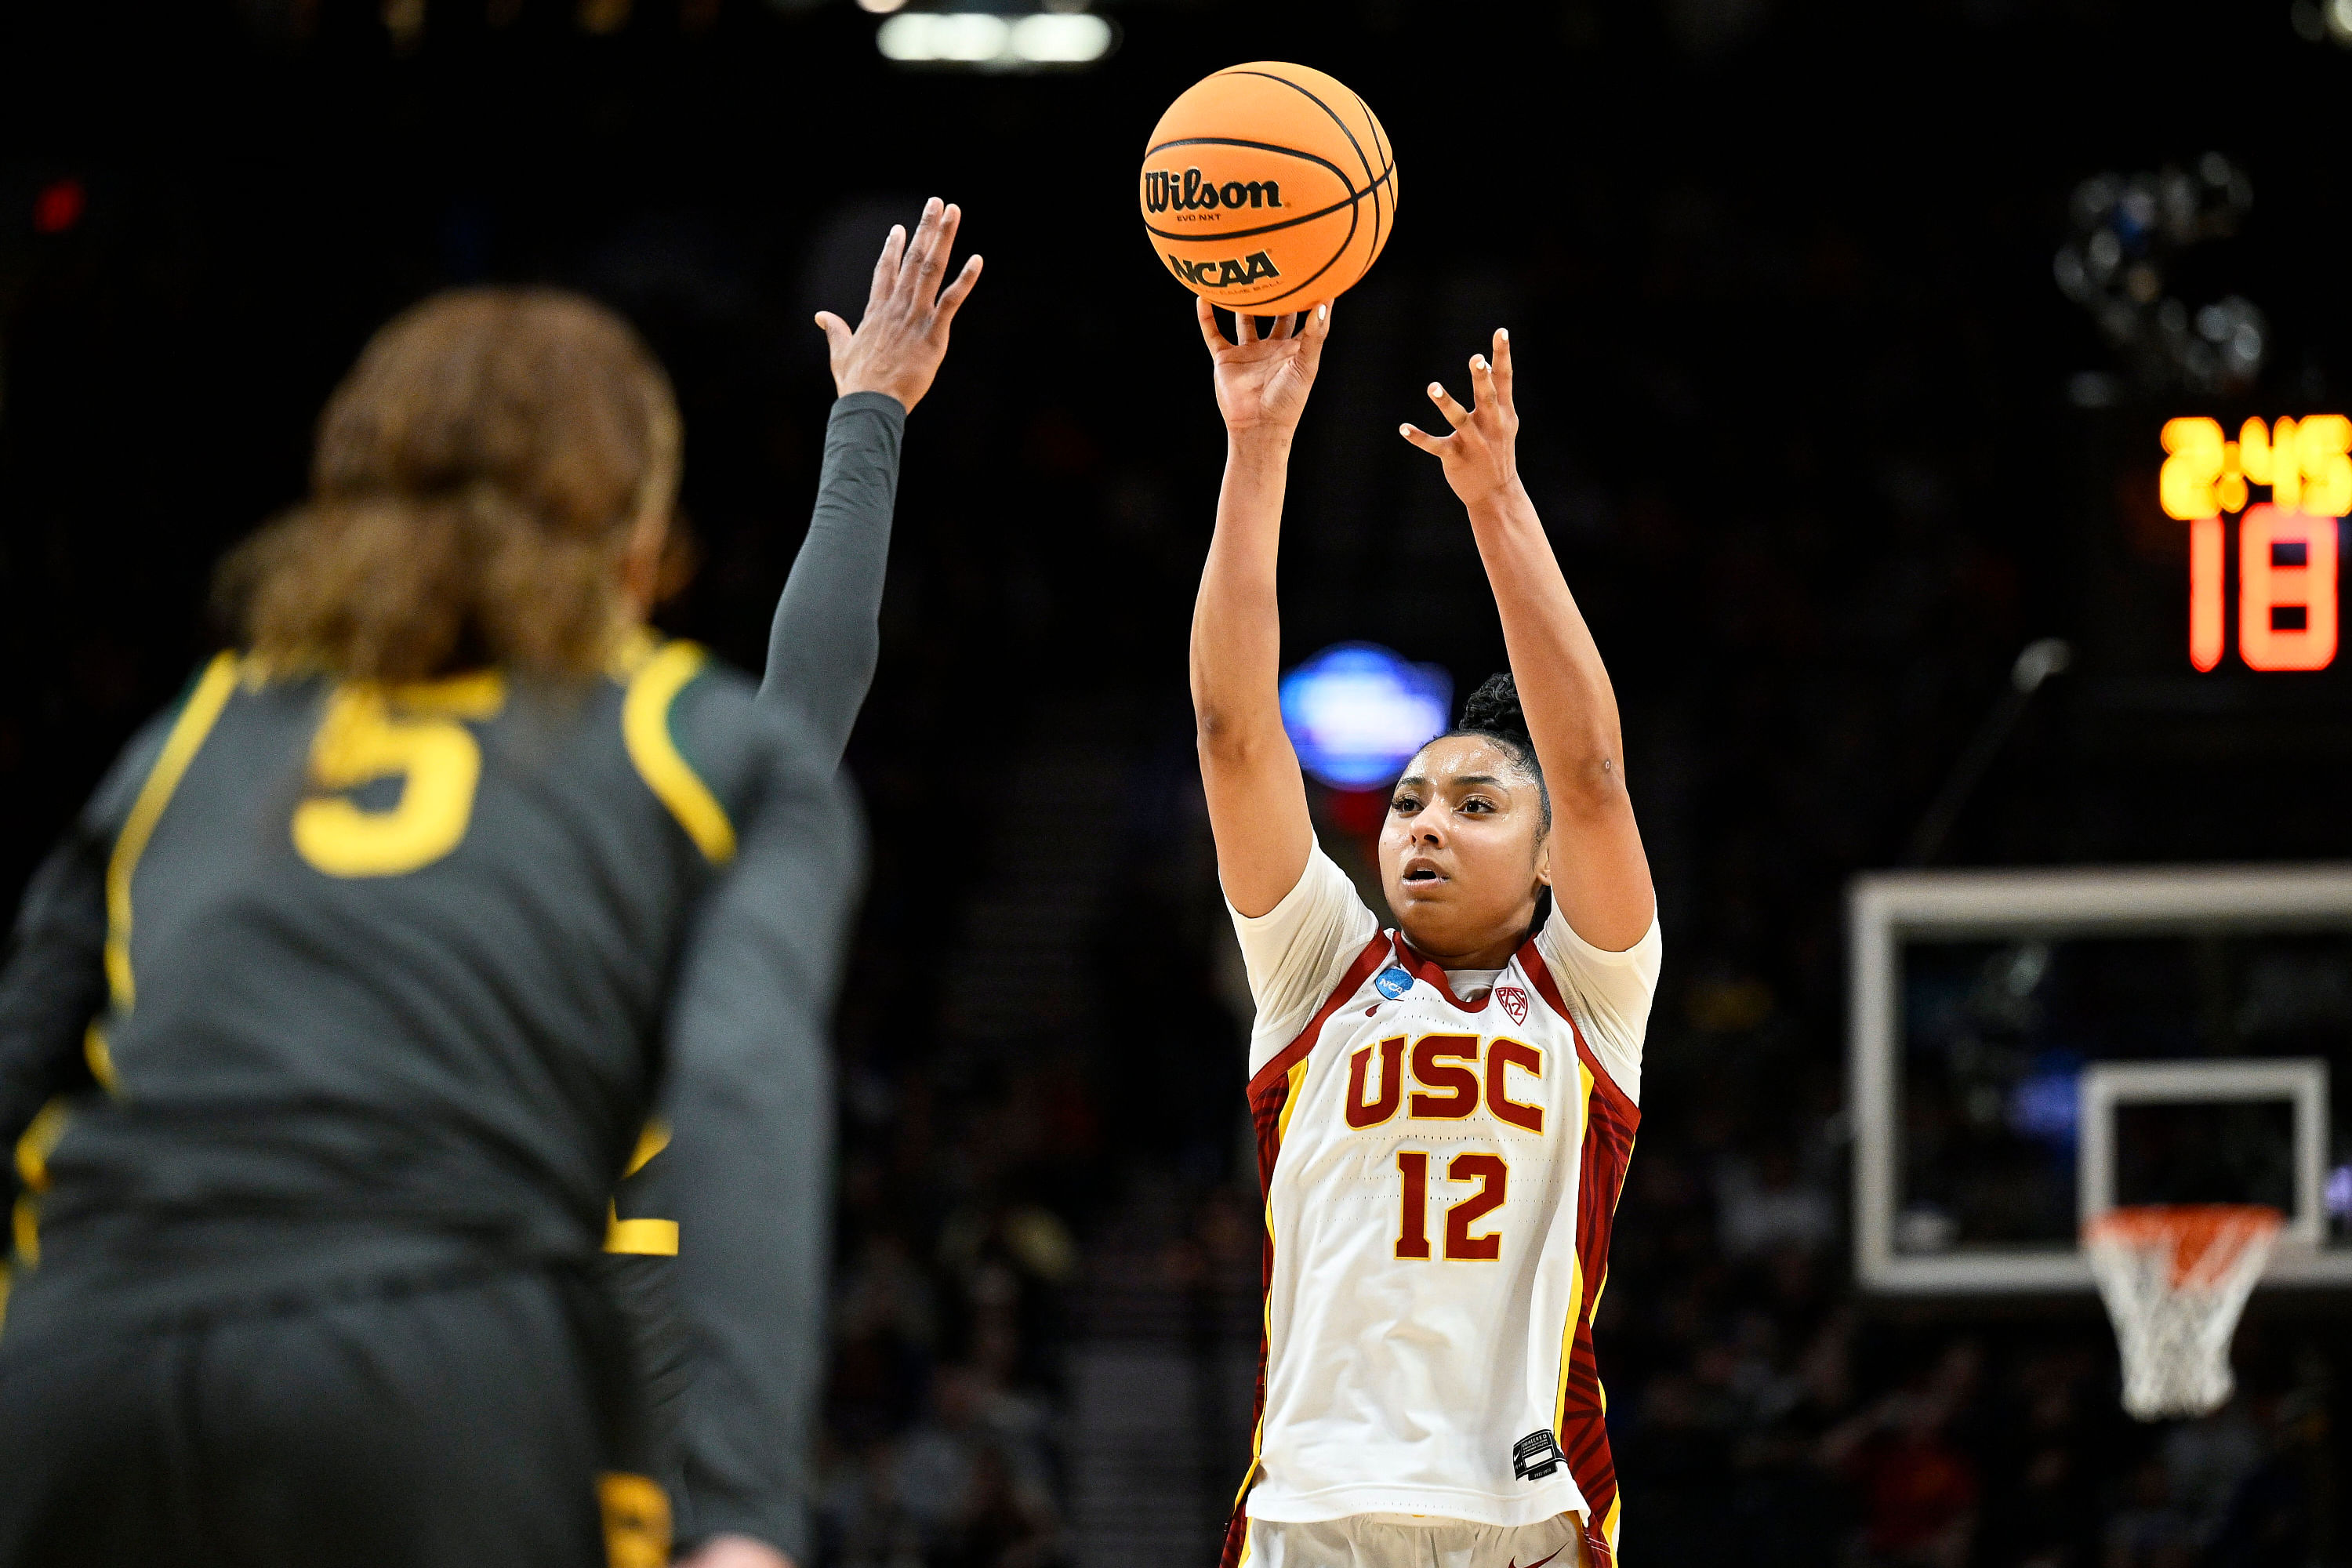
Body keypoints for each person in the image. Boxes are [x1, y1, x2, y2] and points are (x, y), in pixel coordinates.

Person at [0, 199, 981, 1568]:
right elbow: (749, 1085)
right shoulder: (669, 747)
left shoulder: (208, 730)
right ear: (633, 539)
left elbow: (29, 1056)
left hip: (94, 1342)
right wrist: (868, 414)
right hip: (466, 1337)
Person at [1188, 299, 1661, 1568]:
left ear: (1549, 856)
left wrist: (1497, 504)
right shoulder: (1317, 973)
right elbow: (1235, 734)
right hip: (1313, 1508)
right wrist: (1258, 440)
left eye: (1474, 802)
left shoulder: (1592, 994)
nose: (1425, 825)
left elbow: (1596, 772)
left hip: (1527, 1512)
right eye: (1406, 802)